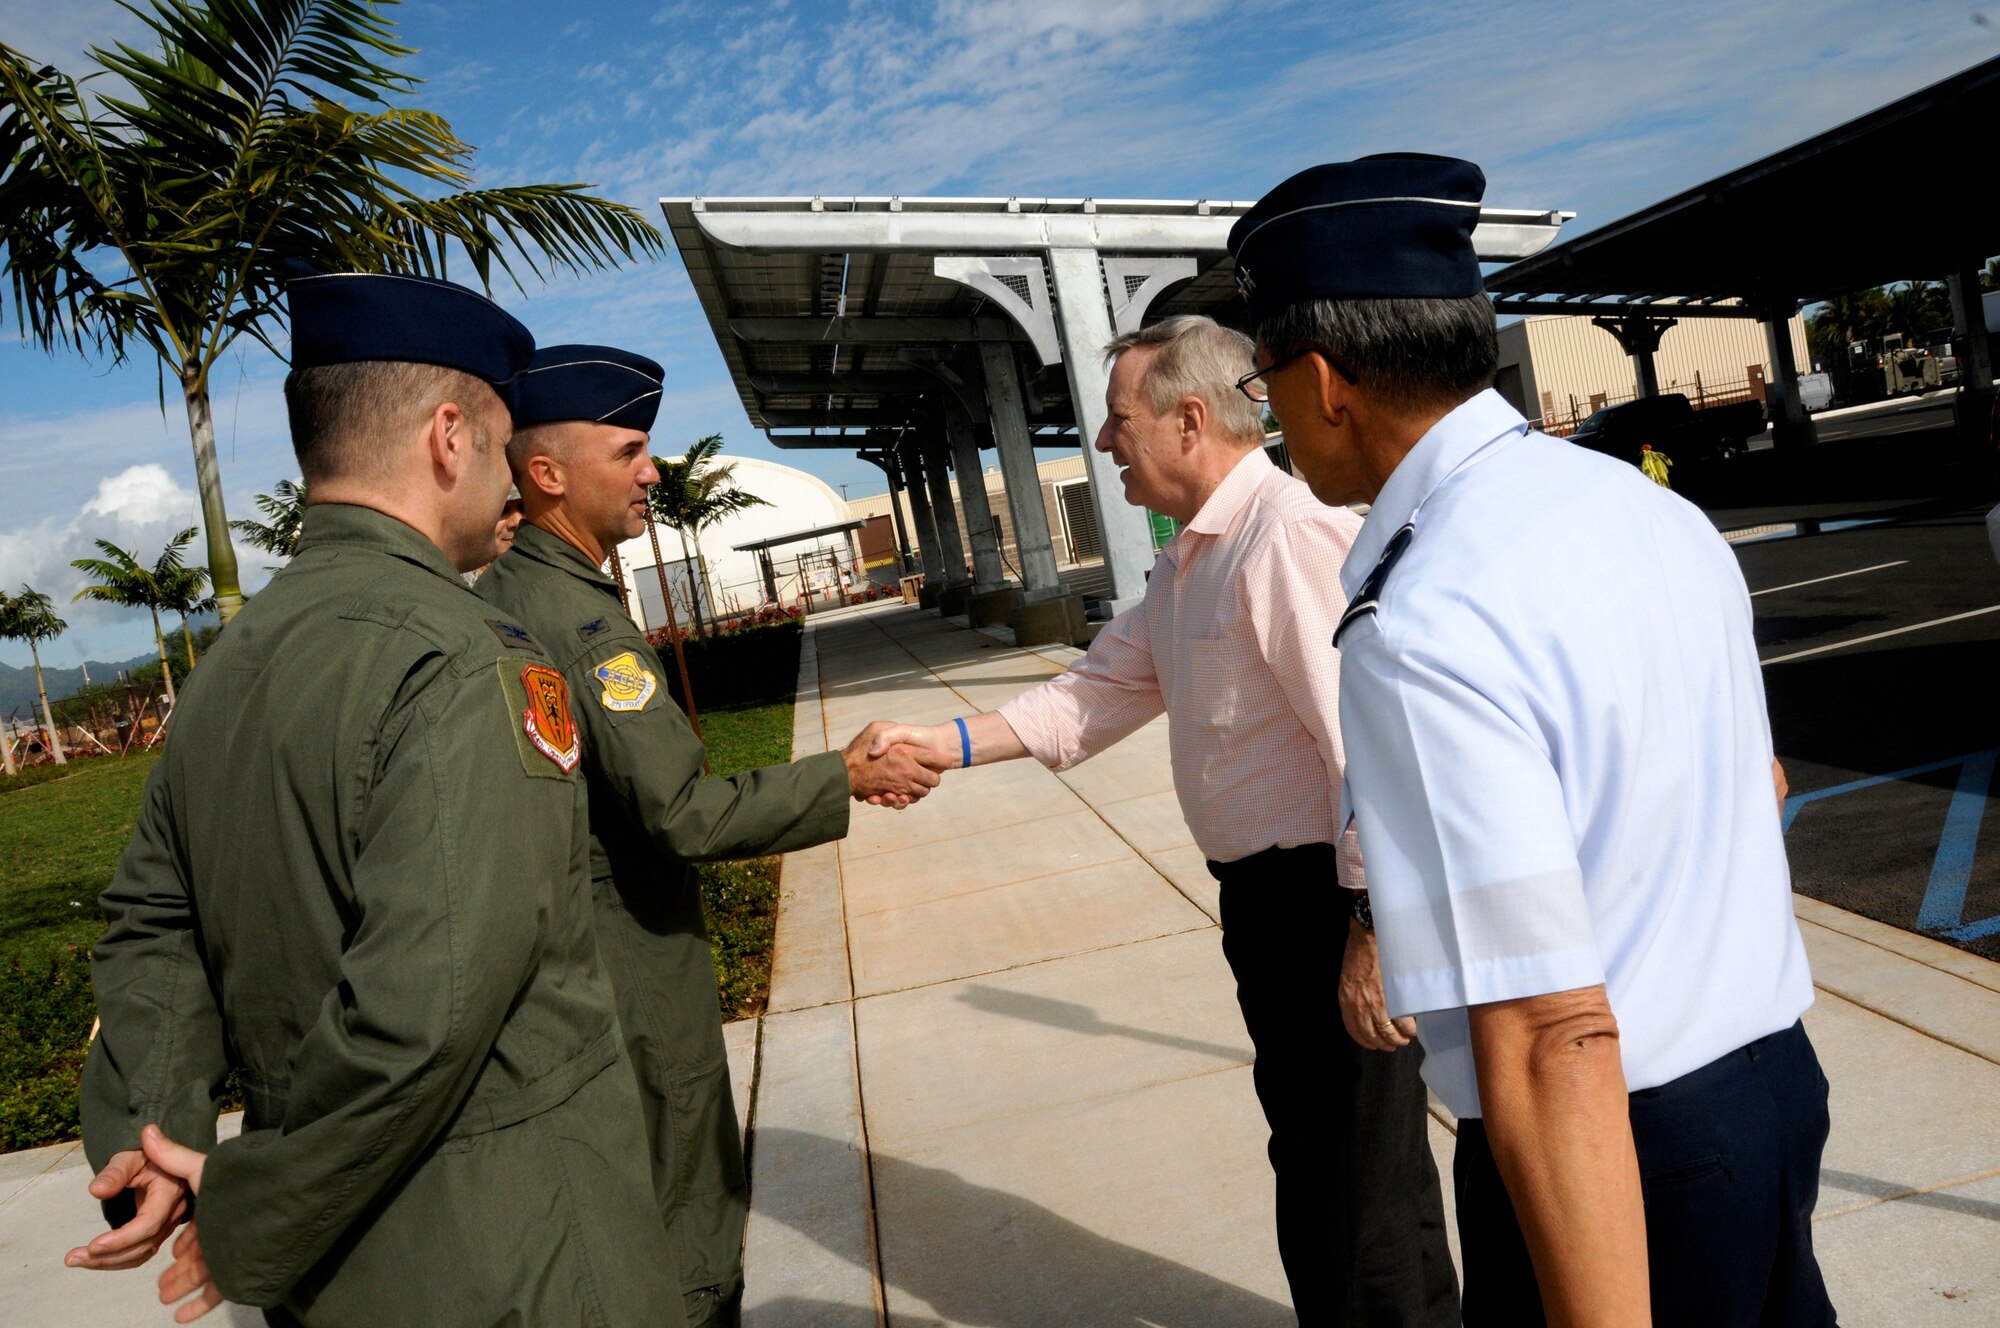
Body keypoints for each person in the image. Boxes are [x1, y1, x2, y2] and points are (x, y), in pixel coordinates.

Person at [1230, 154, 1835, 1327]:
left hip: (1612, 1150)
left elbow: (1547, 1028)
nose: (1276, 416)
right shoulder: (1647, 511)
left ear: (1322, 378)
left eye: (1266, 384)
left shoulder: (1422, 617)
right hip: (1769, 1087)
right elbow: (1753, 785)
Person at [69, 270, 690, 1325]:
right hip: (516, 1254)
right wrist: (253, 1215)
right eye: (500, 448)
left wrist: (148, 1131)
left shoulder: (230, 666)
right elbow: (427, 1006)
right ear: (449, 437)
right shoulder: (465, 658)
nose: (508, 483)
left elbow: (154, 920)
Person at [859, 315, 1459, 1326]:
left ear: (1189, 418)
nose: (1101, 443)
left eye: (1116, 419)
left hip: (1329, 899)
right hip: (1269, 906)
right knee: (1325, 1162)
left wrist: (1373, 928)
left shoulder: (1290, 536)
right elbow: (1093, 694)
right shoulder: (1189, 558)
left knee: (1358, 1184)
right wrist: (939, 743)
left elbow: (1372, 749)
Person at [476, 342, 950, 1327]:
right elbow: (682, 811)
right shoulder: (579, 621)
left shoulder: (514, 594)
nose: (654, 470)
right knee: (688, 1227)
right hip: (630, 970)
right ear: (547, 473)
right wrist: (842, 775)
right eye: (630, 449)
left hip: (566, 967)